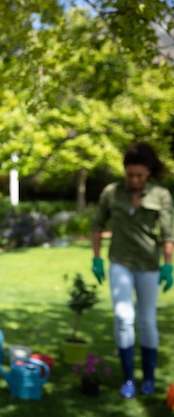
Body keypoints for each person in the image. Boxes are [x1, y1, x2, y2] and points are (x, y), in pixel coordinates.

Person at [91, 142, 173, 399]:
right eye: (130, 174)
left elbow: (168, 233)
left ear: (148, 172)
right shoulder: (112, 193)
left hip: (148, 265)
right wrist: (96, 259)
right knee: (123, 316)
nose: (135, 179)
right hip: (120, 263)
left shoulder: (160, 195)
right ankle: (128, 378)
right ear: (125, 171)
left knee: (147, 320)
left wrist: (168, 264)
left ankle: (148, 378)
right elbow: (96, 225)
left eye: (140, 175)